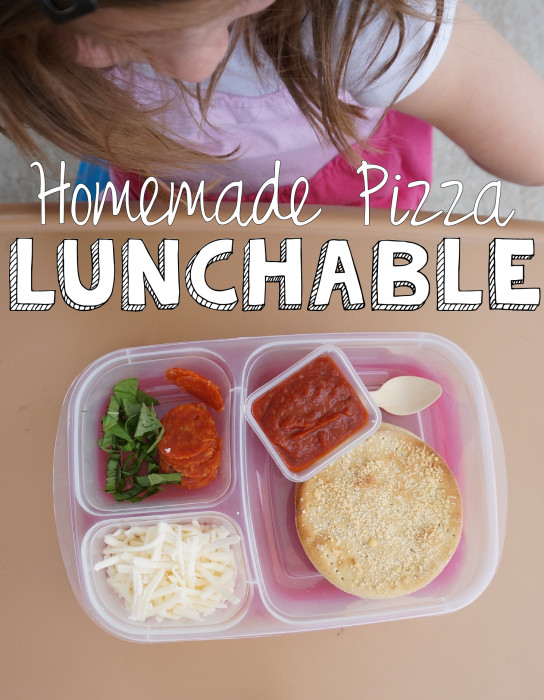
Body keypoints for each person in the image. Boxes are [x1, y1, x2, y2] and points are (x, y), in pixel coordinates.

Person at [1, 0, 543, 209]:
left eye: (221, 16)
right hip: (162, 187)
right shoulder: (31, 42)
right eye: (124, 43)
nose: (195, 70)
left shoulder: (365, 27)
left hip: (329, 193)